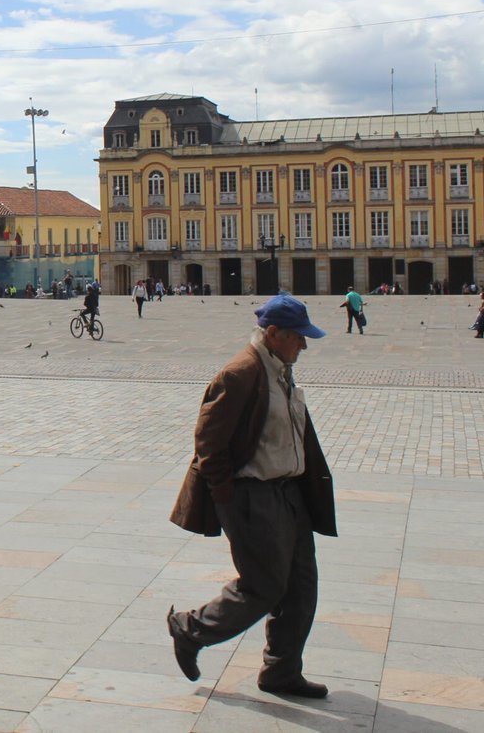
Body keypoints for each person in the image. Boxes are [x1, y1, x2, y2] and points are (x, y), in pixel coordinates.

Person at [165, 293, 337, 700]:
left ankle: (281, 671)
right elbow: (209, 442)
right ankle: (190, 629)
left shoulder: (280, 368)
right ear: (273, 334)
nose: (304, 345)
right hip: (253, 496)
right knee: (263, 586)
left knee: (301, 587)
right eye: (298, 337)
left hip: (288, 493)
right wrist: (227, 499)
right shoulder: (241, 373)